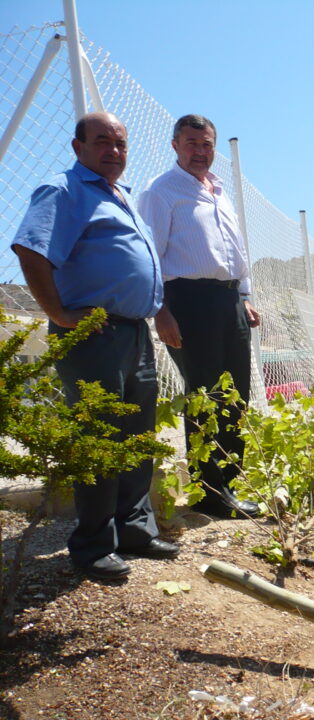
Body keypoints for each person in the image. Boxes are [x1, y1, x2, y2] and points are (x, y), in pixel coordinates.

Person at [12, 111, 180, 580]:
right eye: (103, 141)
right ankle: (92, 544)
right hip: (93, 333)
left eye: (121, 143)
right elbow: (30, 249)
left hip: (134, 332)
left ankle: (135, 530)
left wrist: (159, 309)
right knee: (100, 438)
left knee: (137, 436)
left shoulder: (121, 196)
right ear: (78, 147)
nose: (114, 151)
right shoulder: (64, 191)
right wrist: (59, 313)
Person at [137, 114, 261, 518]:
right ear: (175, 145)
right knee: (205, 395)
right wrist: (161, 311)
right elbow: (150, 255)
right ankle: (209, 492)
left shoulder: (220, 191)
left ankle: (231, 484)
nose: (199, 151)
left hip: (229, 300)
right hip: (187, 301)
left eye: (206, 144)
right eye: (191, 143)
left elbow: (234, 250)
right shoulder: (161, 191)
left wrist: (244, 296)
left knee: (235, 394)